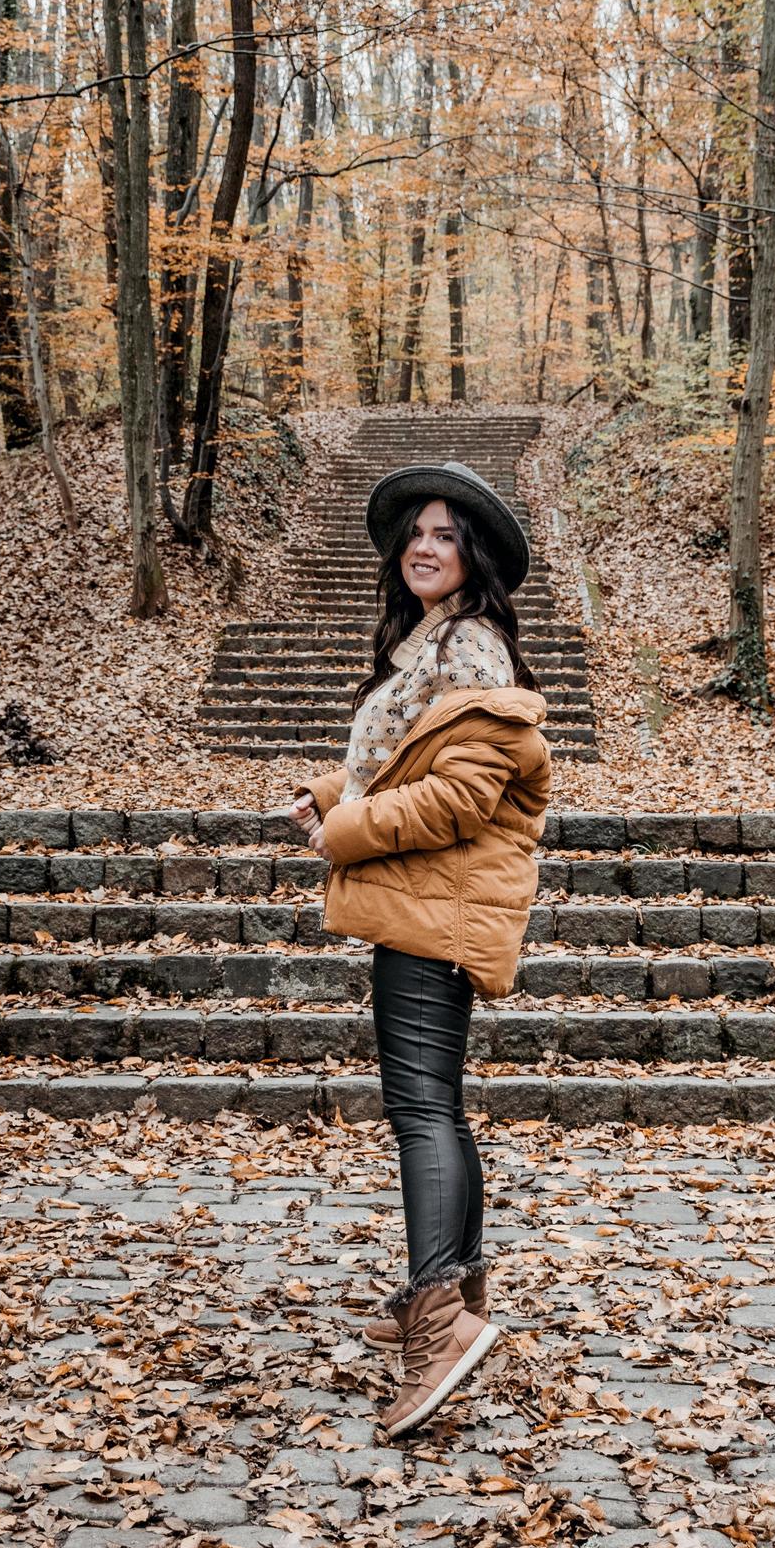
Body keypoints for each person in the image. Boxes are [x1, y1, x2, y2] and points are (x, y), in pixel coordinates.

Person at [285, 461, 552, 1437]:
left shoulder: (472, 652)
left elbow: (457, 798)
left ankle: (436, 1323)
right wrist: (332, 795)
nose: (422, 545)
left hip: (435, 907)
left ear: (471, 555)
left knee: (419, 1112)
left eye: (443, 533)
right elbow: (412, 770)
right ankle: (461, 1296)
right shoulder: (432, 647)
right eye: (413, 534)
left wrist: (344, 833)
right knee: (434, 1108)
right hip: (426, 903)